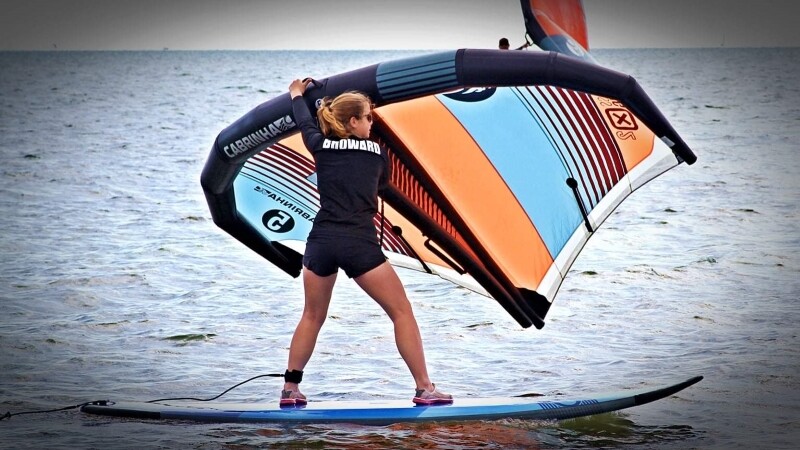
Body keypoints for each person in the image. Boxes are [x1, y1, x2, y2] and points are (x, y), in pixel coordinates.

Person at [281, 79, 453, 407]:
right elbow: (384, 187)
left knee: (312, 316)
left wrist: (296, 95)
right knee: (401, 311)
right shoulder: (376, 153)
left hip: (320, 242)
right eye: (368, 117)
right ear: (353, 122)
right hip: (359, 243)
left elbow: (303, 122)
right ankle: (424, 388)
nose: (372, 123)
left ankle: (290, 389)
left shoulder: (320, 146)